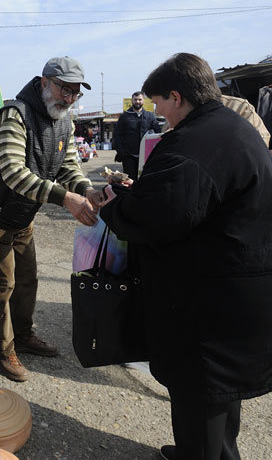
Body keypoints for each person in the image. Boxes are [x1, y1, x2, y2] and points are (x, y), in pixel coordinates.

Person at [99, 53, 272, 460]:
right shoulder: (230, 126)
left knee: (203, 392)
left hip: (211, 300)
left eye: (158, 103)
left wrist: (113, 207)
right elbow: (185, 200)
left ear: (176, 97)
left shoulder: (195, 141)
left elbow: (159, 215)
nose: (158, 113)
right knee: (216, 398)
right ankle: (200, 451)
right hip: (233, 289)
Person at [0, 56, 101, 382]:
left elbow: (69, 166)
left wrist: (86, 189)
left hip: (24, 214)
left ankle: (24, 334)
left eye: (74, 93)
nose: (68, 98)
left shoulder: (64, 121)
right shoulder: (15, 115)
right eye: (63, 89)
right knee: (1, 286)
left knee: (27, 279)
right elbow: (14, 173)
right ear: (44, 82)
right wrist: (65, 198)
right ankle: (3, 350)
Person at [113, 91, 161, 180]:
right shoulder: (125, 116)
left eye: (140, 99)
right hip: (129, 156)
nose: (137, 102)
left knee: (144, 179)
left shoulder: (149, 116)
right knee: (129, 180)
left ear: (143, 101)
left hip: (145, 155)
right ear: (132, 101)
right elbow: (117, 135)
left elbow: (158, 133)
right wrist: (121, 152)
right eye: (135, 99)